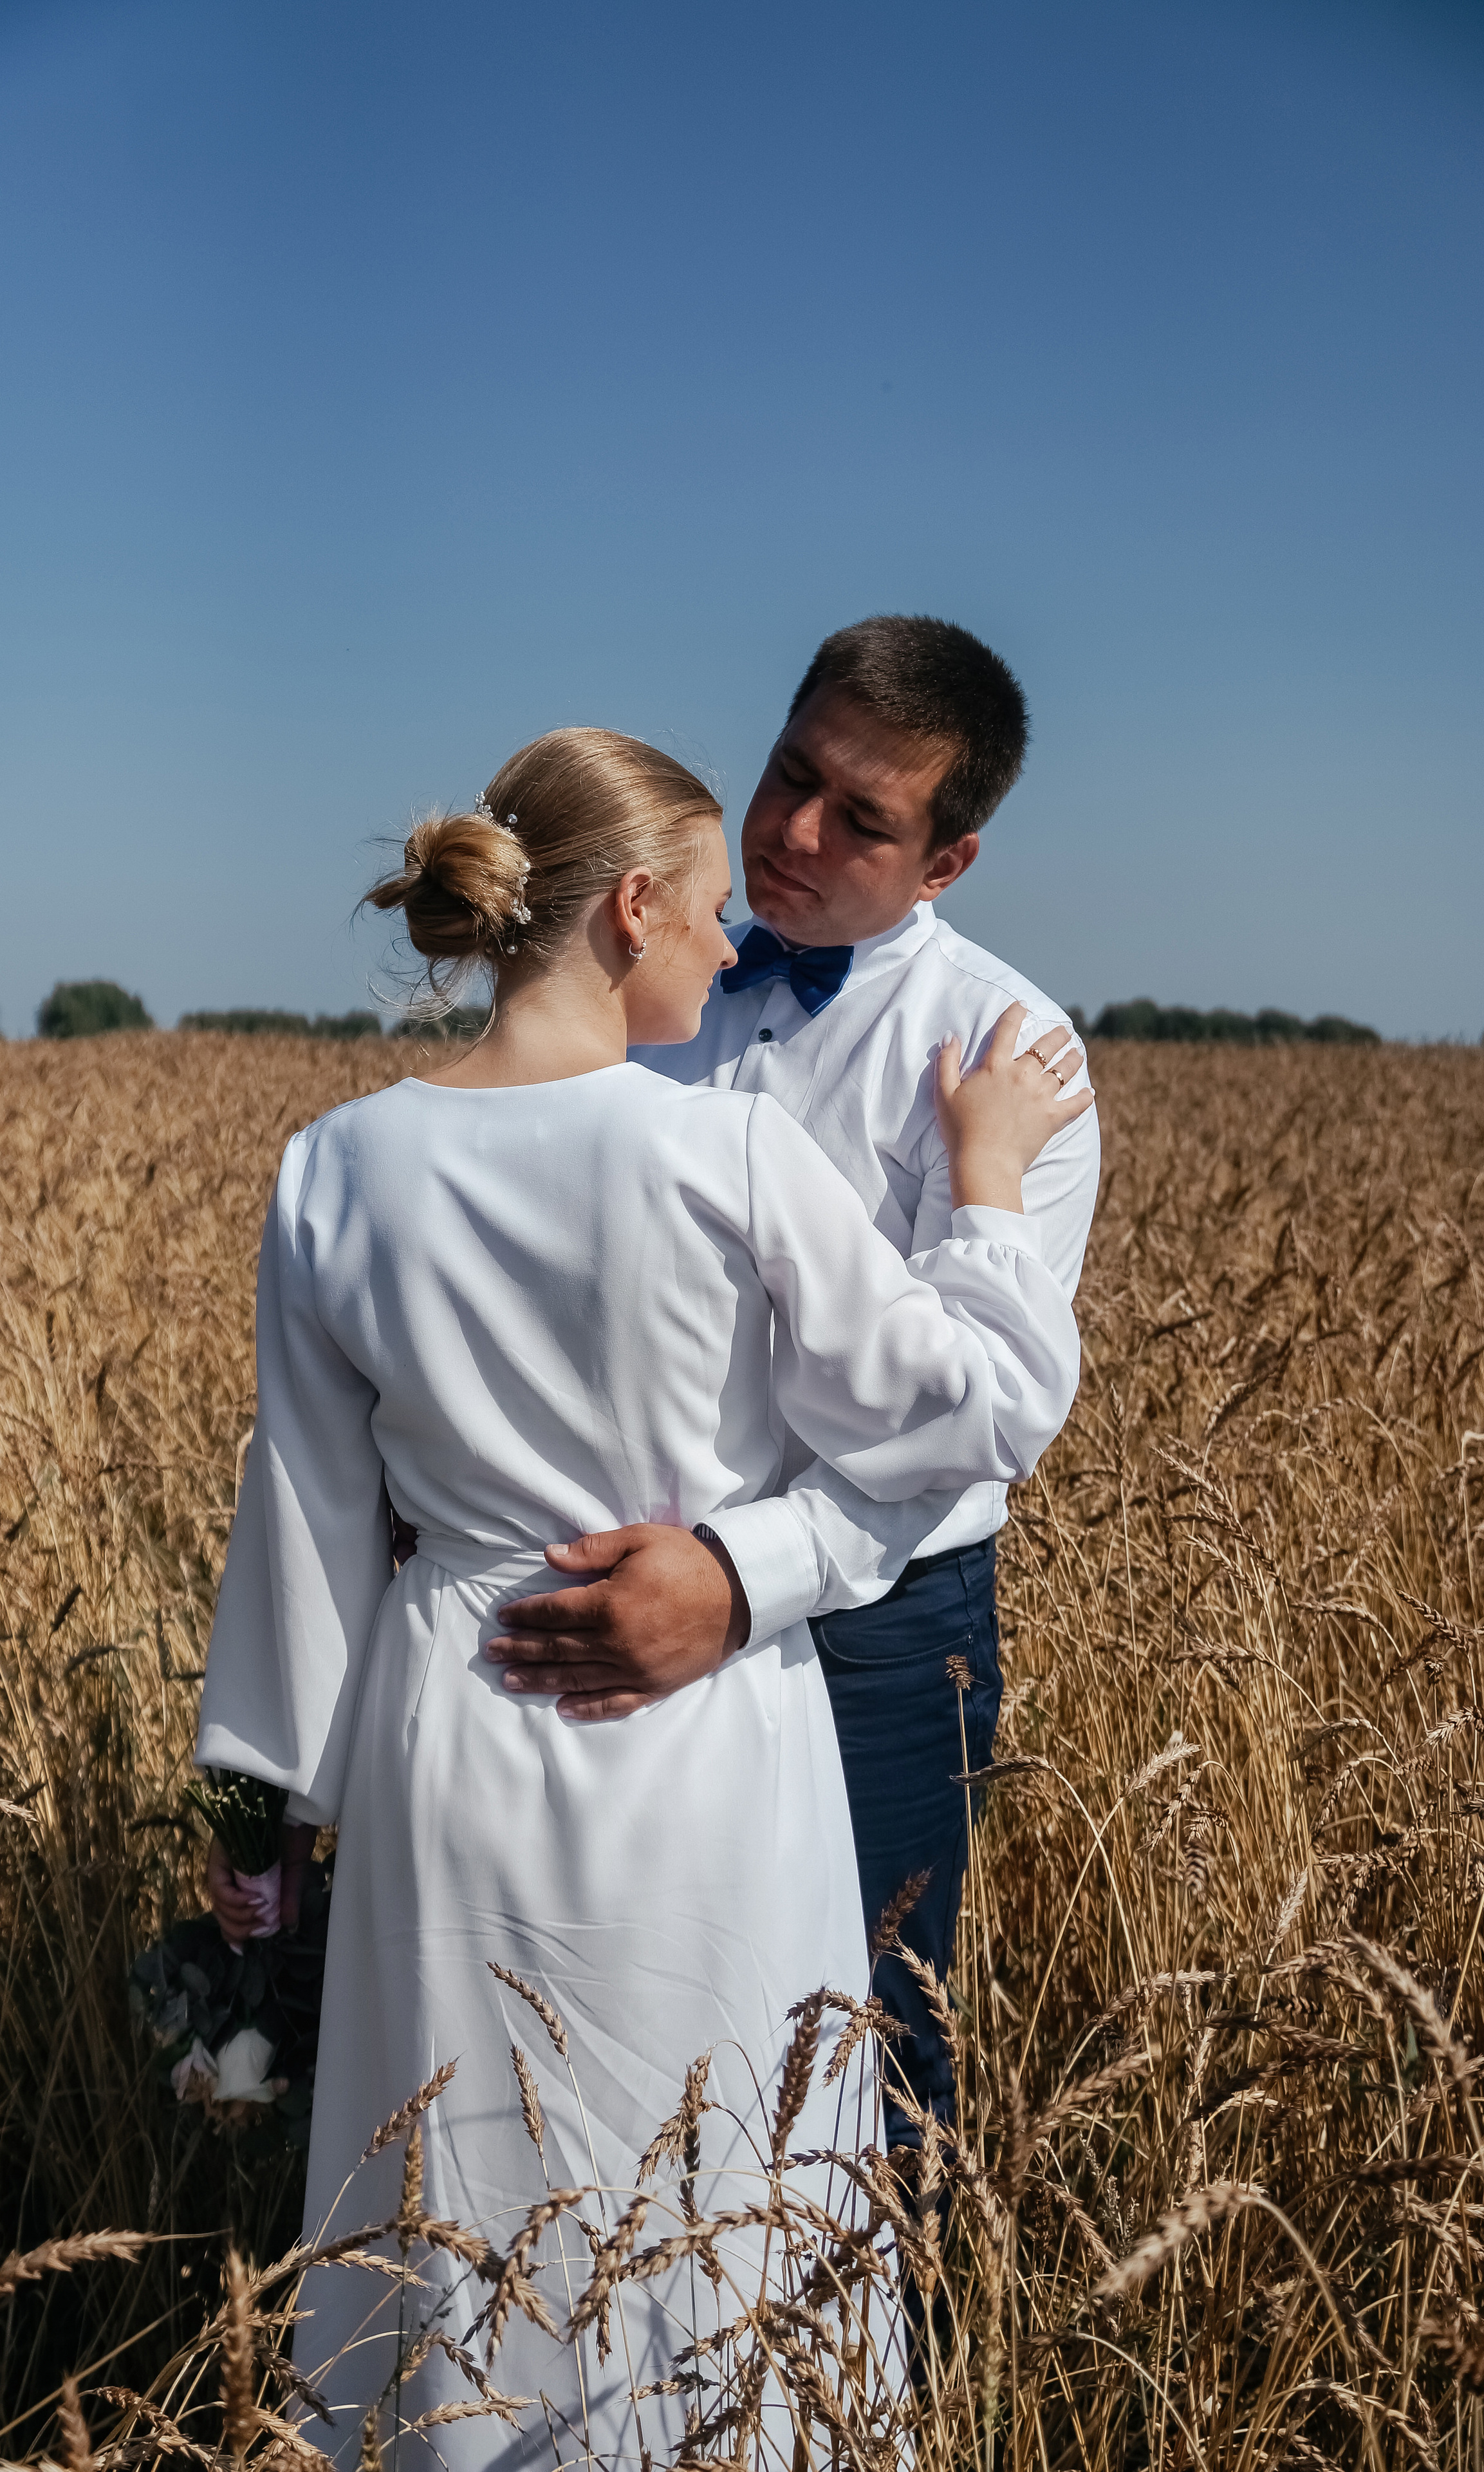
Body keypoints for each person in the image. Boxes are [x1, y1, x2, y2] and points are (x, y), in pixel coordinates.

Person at [196, 724, 1090, 2469]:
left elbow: (298, 1532)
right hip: (703, 1746)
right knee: (724, 2199)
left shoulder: (334, 1167)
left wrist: (256, 1834)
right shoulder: (732, 1155)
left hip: (445, 1736)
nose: (727, 949)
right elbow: (975, 1409)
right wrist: (985, 1185)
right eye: (703, 923)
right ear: (630, 912)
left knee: (452, 2205)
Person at [485, 619, 1099, 2154]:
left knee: (864, 2066)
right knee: (622, 2040)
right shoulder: (621, 985)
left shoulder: (1007, 1062)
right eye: (787, 774)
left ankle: (892, 2398)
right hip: (602, 1590)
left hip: (873, 1639)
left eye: (862, 820)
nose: (792, 832)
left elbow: (960, 1431)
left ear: (945, 864)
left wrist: (741, 1581)